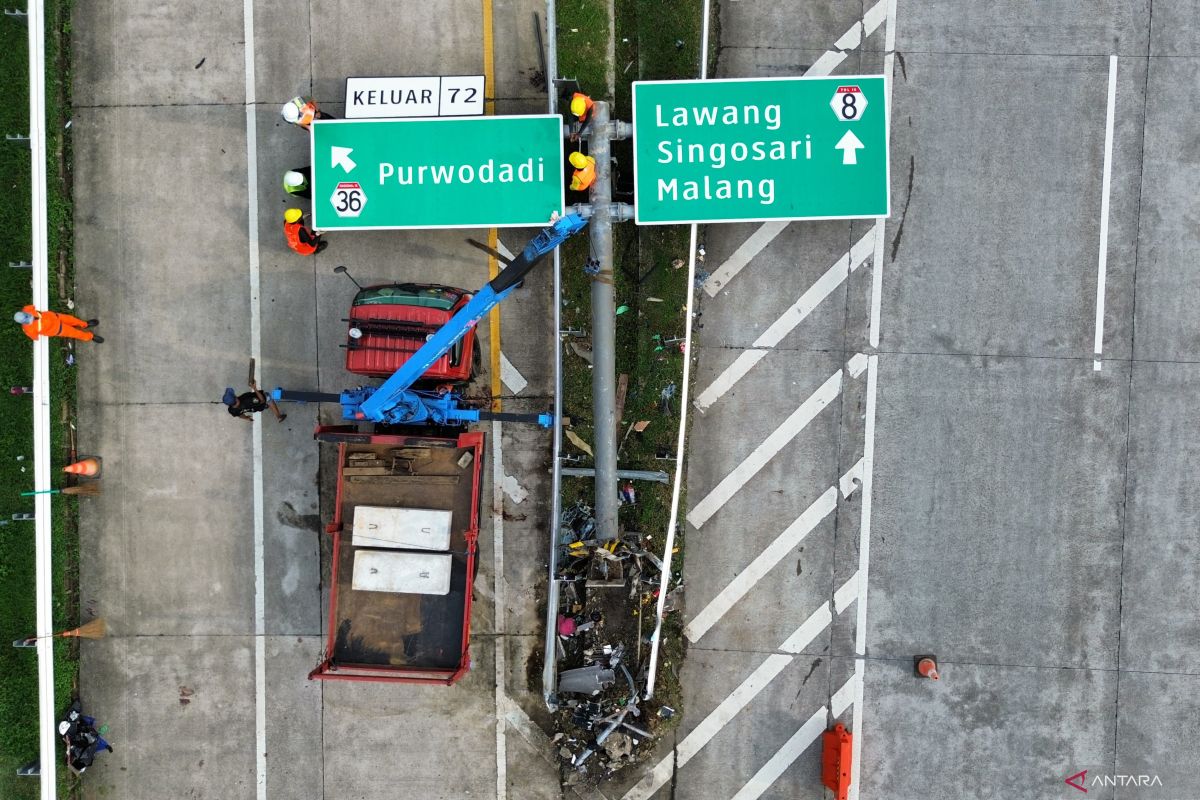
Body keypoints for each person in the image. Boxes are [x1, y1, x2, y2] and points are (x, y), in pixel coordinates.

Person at [14, 306, 102, 343]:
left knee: (72, 319)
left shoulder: (27, 309)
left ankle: (85, 324)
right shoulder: (28, 330)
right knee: (75, 333)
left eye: (29, 316)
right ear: (23, 323)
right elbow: (35, 338)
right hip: (58, 329)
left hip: (57, 317)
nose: (31, 318)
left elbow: (32, 307)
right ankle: (90, 337)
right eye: (28, 320)